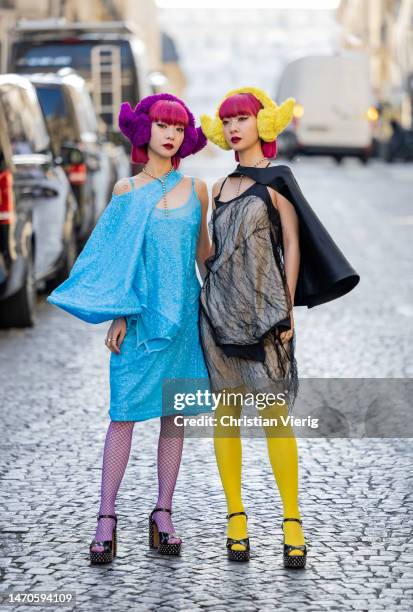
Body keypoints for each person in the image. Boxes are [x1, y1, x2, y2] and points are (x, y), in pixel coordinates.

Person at [47, 93, 212, 563]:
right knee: (123, 415)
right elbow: (115, 262)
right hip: (138, 322)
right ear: (145, 132)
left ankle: (163, 512)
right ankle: (106, 515)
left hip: (183, 322)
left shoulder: (197, 190)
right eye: (163, 125)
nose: (171, 135)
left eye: (179, 128)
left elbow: (204, 256)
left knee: (173, 419)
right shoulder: (125, 190)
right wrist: (118, 314)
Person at [200, 87, 360, 567]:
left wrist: (287, 310)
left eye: (242, 118)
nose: (233, 128)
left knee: (273, 418)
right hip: (218, 316)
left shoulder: (277, 181)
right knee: (225, 417)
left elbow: (292, 247)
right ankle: (236, 521)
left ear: (262, 124)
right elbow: (209, 255)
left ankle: (292, 522)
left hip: (266, 315)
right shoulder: (217, 187)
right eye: (227, 120)